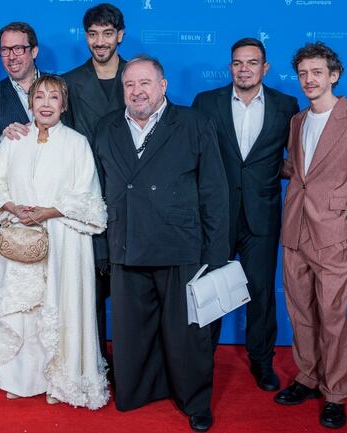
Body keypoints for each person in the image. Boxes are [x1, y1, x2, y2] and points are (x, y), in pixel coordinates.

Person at [94, 56, 228, 432]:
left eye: (145, 83)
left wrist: (215, 255)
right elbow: (96, 194)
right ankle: (140, 390)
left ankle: (195, 400)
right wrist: (103, 249)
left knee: (188, 334)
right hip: (125, 244)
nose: (137, 91)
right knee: (132, 331)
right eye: (129, 85)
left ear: (163, 86)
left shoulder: (193, 124)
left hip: (181, 245)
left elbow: (214, 192)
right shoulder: (106, 127)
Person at [0, 75, 109, 410]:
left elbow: (89, 199)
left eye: (53, 98)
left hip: (63, 242)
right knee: (25, 311)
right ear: (31, 103)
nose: (46, 104)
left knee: (58, 308)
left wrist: (49, 211)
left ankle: (59, 382)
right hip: (21, 239)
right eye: (39, 97)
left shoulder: (77, 143)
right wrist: (11, 207)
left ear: (64, 105)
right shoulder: (14, 140)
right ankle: (22, 380)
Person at [275, 42, 347, 430]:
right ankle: (307, 377)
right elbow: (296, 170)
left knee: (332, 317)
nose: (308, 80)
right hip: (294, 230)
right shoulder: (298, 121)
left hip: (332, 233)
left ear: (333, 75)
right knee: (301, 313)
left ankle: (335, 394)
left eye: (316, 72)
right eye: (303, 73)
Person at [191, 37, 300, 392]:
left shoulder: (287, 106)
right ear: (230, 67)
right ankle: (200, 361)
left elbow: (296, 161)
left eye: (252, 63)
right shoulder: (205, 103)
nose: (244, 69)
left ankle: (262, 360)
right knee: (211, 291)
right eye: (238, 63)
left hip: (262, 216)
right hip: (216, 217)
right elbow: (194, 157)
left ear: (265, 68)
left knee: (261, 293)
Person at [62, 2, 127, 360]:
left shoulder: (138, 75)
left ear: (120, 35)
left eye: (106, 33)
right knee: (89, 285)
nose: (99, 41)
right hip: (87, 194)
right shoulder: (70, 82)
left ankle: (130, 366)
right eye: (93, 34)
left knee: (129, 286)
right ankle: (93, 361)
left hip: (132, 197)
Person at [0, 22, 43, 161]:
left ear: (34, 51)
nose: (11, 57)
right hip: (16, 179)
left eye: (18, 48)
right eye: (5, 50)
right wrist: (5, 138)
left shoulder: (61, 87)